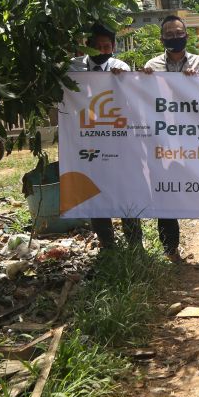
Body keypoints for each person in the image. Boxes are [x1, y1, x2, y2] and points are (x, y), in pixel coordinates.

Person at [143, 15, 199, 261]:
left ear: (186, 36)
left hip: (198, 139)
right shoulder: (152, 65)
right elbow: (145, 97)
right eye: (169, 34)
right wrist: (142, 79)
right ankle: (170, 248)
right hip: (165, 140)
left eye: (178, 33)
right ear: (161, 38)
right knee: (166, 191)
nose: (174, 37)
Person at [69, 24, 142, 250]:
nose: (102, 51)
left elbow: (130, 98)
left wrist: (123, 80)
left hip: (117, 141)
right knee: (95, 192)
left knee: (125, 190)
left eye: (107, 47)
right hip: (87, 141)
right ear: (89, 47)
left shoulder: (120, 67)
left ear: (113, 47)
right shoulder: (73, 68)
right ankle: (108, 245)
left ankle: (135, 243)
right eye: (98, 47)